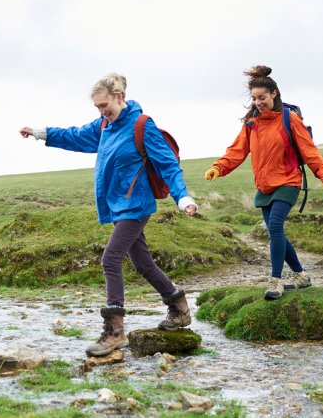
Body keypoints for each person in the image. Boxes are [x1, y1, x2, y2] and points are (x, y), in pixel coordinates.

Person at [19, 73, 198, 357]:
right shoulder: (104, 126)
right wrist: (41, 132)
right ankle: (179, 306)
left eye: (105, 105)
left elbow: (167, 164)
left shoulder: (142, 126)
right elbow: (76, 136)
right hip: (117, 206)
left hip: (136, 205)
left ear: (119, 97)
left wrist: (183, 197)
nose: (102, 111)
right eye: (97, 107)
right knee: (143, 264)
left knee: (110, 259)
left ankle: (115, 332)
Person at [204, 65, 323, 300]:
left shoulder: (290, 119)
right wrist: (219, 167)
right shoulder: (251, 123)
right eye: (254, 98)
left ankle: (275, 281)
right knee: (277, 233)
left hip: (288, 181)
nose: (258, 102)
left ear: (274, 93)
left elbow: (309, 151)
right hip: (264, 187)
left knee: (275, 226)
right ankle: (301, 276)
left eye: (262, 97)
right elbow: (237, 151)